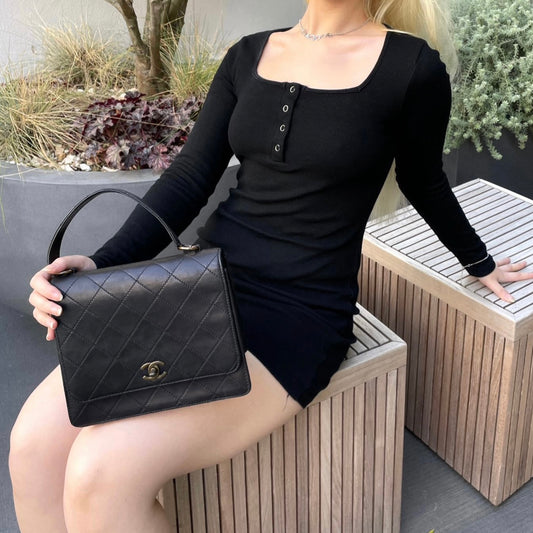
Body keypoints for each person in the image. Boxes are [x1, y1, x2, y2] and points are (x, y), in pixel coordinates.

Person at [9, 0, 533, 531]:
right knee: (32, 445)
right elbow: (190, 177)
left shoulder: (411, 67)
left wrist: (479, 261)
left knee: (101, 471)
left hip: (298, 313)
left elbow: (424, 179)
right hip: (203, 286)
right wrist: (100, 264)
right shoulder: (248, 54)